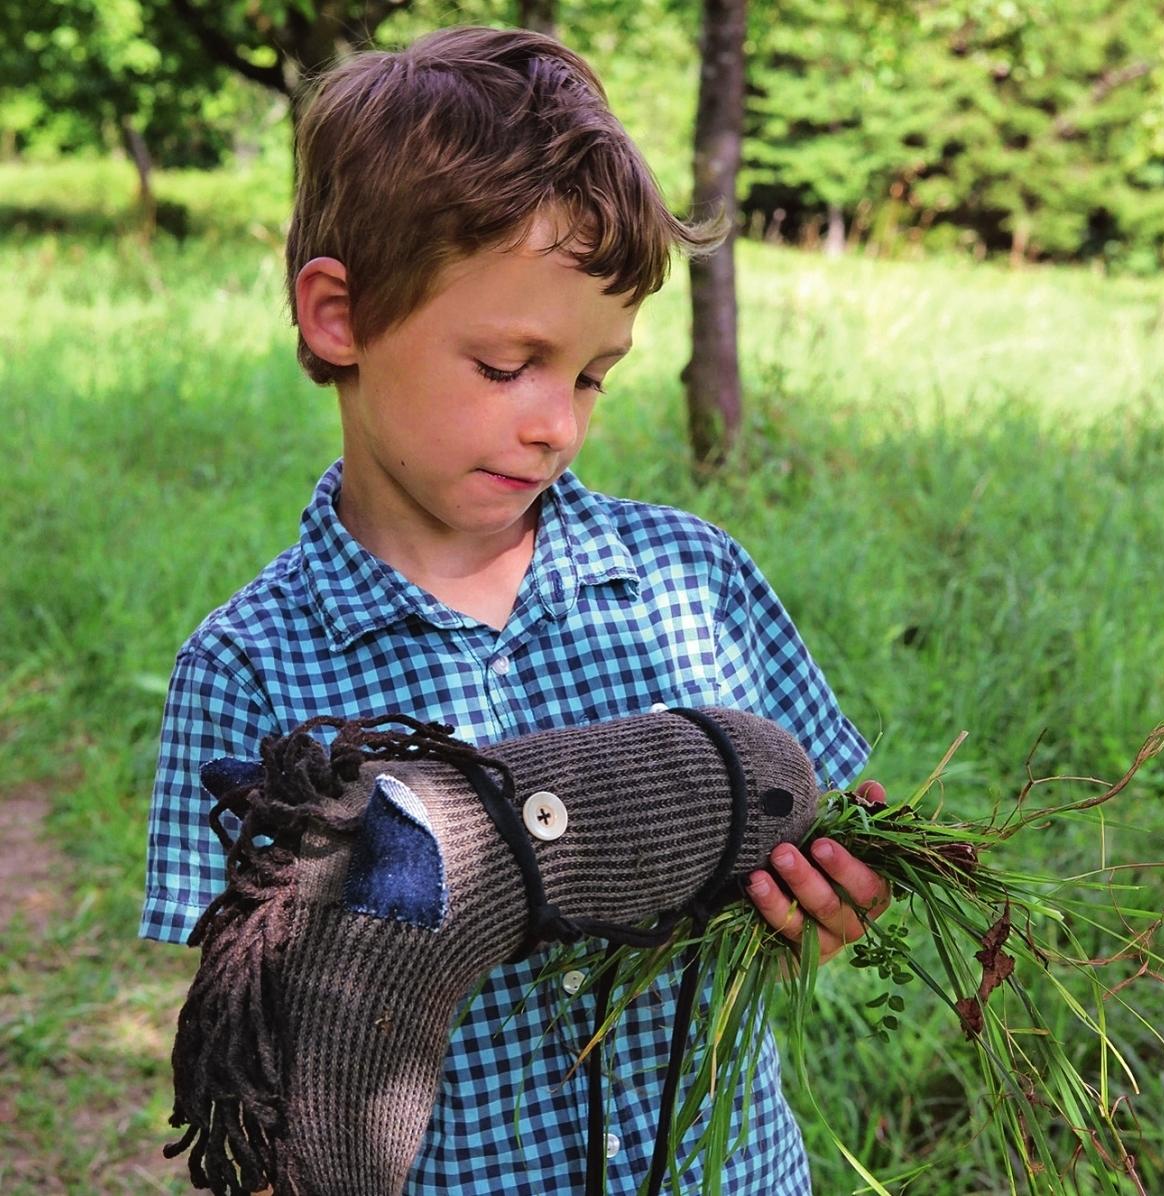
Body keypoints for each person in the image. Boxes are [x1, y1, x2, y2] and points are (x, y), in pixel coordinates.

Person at [142, 24, 889, 1195]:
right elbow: (250, 1008)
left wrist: (834, 893)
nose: (559, 423)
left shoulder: (693, 583)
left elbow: (834, 823)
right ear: (339, 316)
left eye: (594, 374)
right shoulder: (247, 668)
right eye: (507, 366)